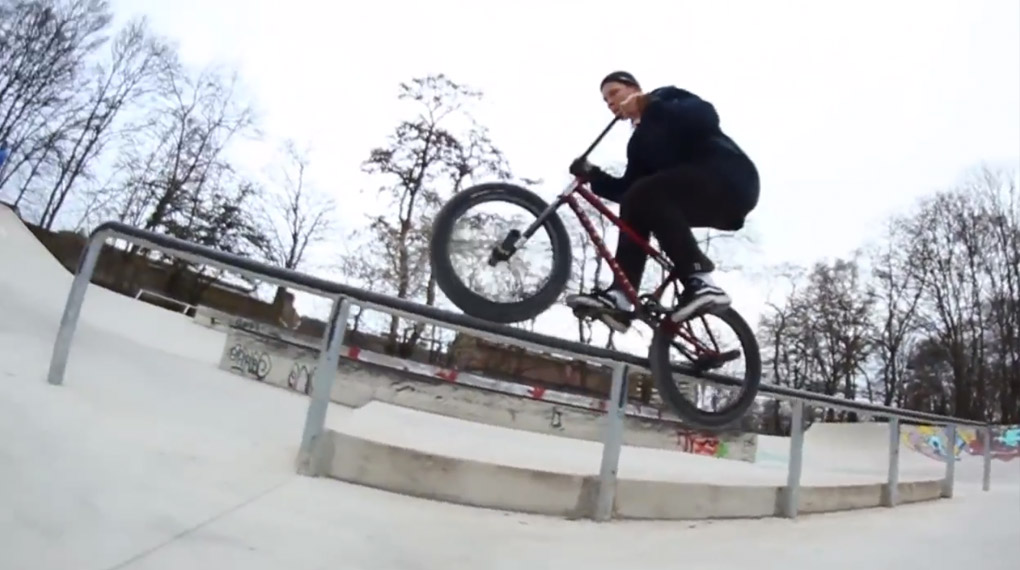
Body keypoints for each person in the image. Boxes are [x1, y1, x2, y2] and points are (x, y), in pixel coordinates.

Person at [565, 71, 759, 333]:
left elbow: (705, 117)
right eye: (605, 100)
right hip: (695, 195)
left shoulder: (666, 97)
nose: (610, 103)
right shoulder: (638, 144)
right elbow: (628, 191)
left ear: (634, 88)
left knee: (646, 192)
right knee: (637, 202)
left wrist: (649, 104)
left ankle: (701, 279)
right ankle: (622, 295)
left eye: (614, 93)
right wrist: (593, 176)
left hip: (730, 179)